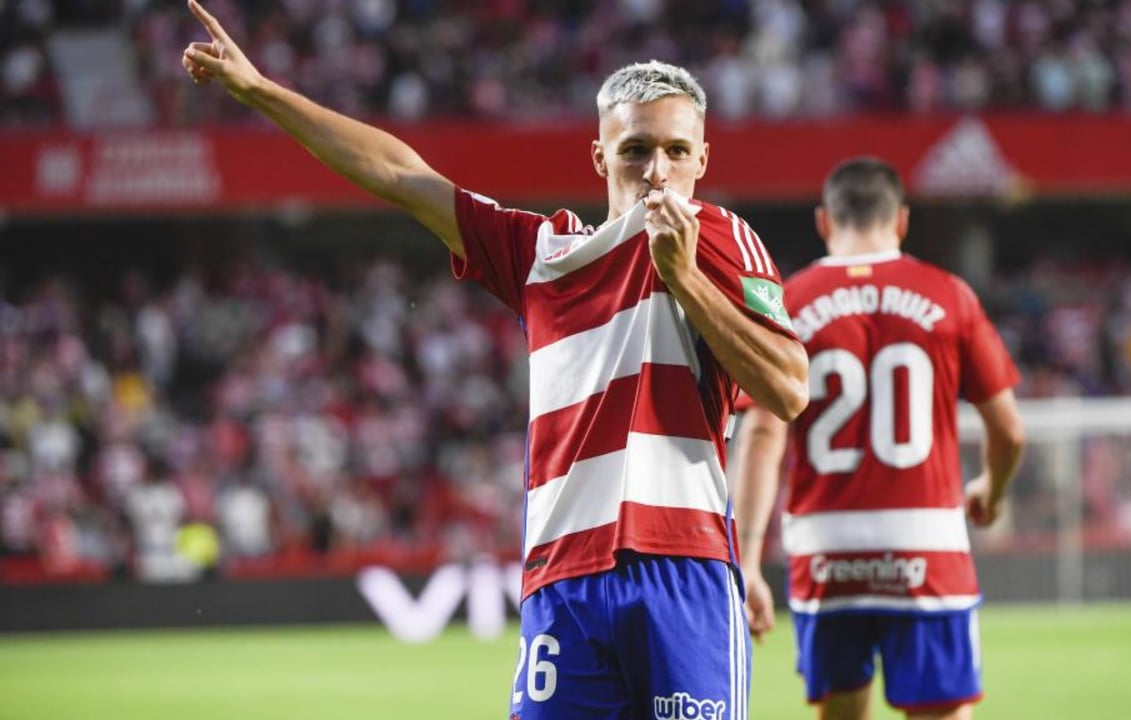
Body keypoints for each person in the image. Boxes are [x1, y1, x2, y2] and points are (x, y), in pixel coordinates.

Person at [180, 2, 808, 718]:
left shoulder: (721, 236)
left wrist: (685, 277)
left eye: (675, 150)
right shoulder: (540, 255)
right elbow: (399, 174)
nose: (656, 171)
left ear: (702, 160)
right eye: (635, 149)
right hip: (562, 580)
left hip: (683, 566)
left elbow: (789, 389)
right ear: (600, 157)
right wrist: (262, 91)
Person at [731, 158, 1025, 720]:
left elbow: (763, 434)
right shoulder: (949, 295)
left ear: (824, 221)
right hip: (927, 547)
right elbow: (1009, 430)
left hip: (824, 551)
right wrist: (992, 488)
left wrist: (746, 561)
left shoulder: (788, 302)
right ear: (902, 220)